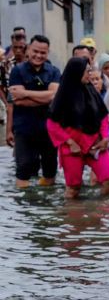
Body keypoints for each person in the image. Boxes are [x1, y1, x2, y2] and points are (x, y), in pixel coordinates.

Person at [46, 57, 109, 198]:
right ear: (77, 73)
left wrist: (106, 137)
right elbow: (52, 124)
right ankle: (74, 218)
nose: (89, 75)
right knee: (73, 188)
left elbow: (103, 116)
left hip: (95, 145)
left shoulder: (91, 91)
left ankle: (100, 213)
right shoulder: (63, 95)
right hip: (72, 148)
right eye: (87, 72)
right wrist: (70, 143)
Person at [6, 34, 61, 188]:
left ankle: (45, 203)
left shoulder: (54, 71)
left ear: (47, 53)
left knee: (50, 168)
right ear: (28, 50)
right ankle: (24, 205)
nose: (38, 55)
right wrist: (45, 97)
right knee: (23, 167)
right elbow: (16, 100)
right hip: (24, 127)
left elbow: (54, 97)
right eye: (35, 51)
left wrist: (26, 94)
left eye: (43, 53)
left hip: (48, 128)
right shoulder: (17, 71)